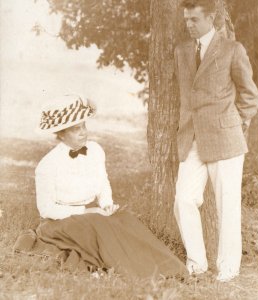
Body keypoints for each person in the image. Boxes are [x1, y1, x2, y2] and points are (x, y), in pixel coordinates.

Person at [18, 94, 187, 279]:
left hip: (93, 211)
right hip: (60, 221)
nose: (83, 132)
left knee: (126, 219)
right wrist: (87, 212)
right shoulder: (48, 164)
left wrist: (106, 203)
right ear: (61, 134)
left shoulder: (95, 150)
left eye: (84, 126)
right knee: (100, 226)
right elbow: (46, 209)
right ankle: (140, 273)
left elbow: (102, 182)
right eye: (76, 129)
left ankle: (169, 268)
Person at [173, 0, 258, 282]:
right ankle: (197, 263)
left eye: (194, 19)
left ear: (211, 18)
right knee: (183, 199)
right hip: (192, 137)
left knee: (228, 205)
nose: (188, 24)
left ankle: (228, 268)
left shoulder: (232, 50)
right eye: (186, 19)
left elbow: (250, 95)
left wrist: (237, 123)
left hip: (225, 139)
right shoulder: (182, 50)